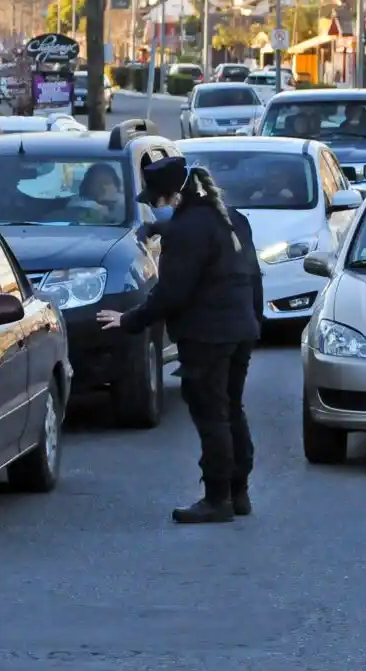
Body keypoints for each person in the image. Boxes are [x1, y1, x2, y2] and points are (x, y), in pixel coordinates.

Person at [96, 156, 263, 525]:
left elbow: (172, 293)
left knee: (211, 414)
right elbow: (254, 277)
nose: (153, 206)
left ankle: (216, 497)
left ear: (170, 196)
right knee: (232, 408)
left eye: (154, 199)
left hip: (206, 335)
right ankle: (239, 492)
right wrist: (254, 320)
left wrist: (129, 320)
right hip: (240, 330)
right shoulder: (232, 219)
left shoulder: (186, 232)